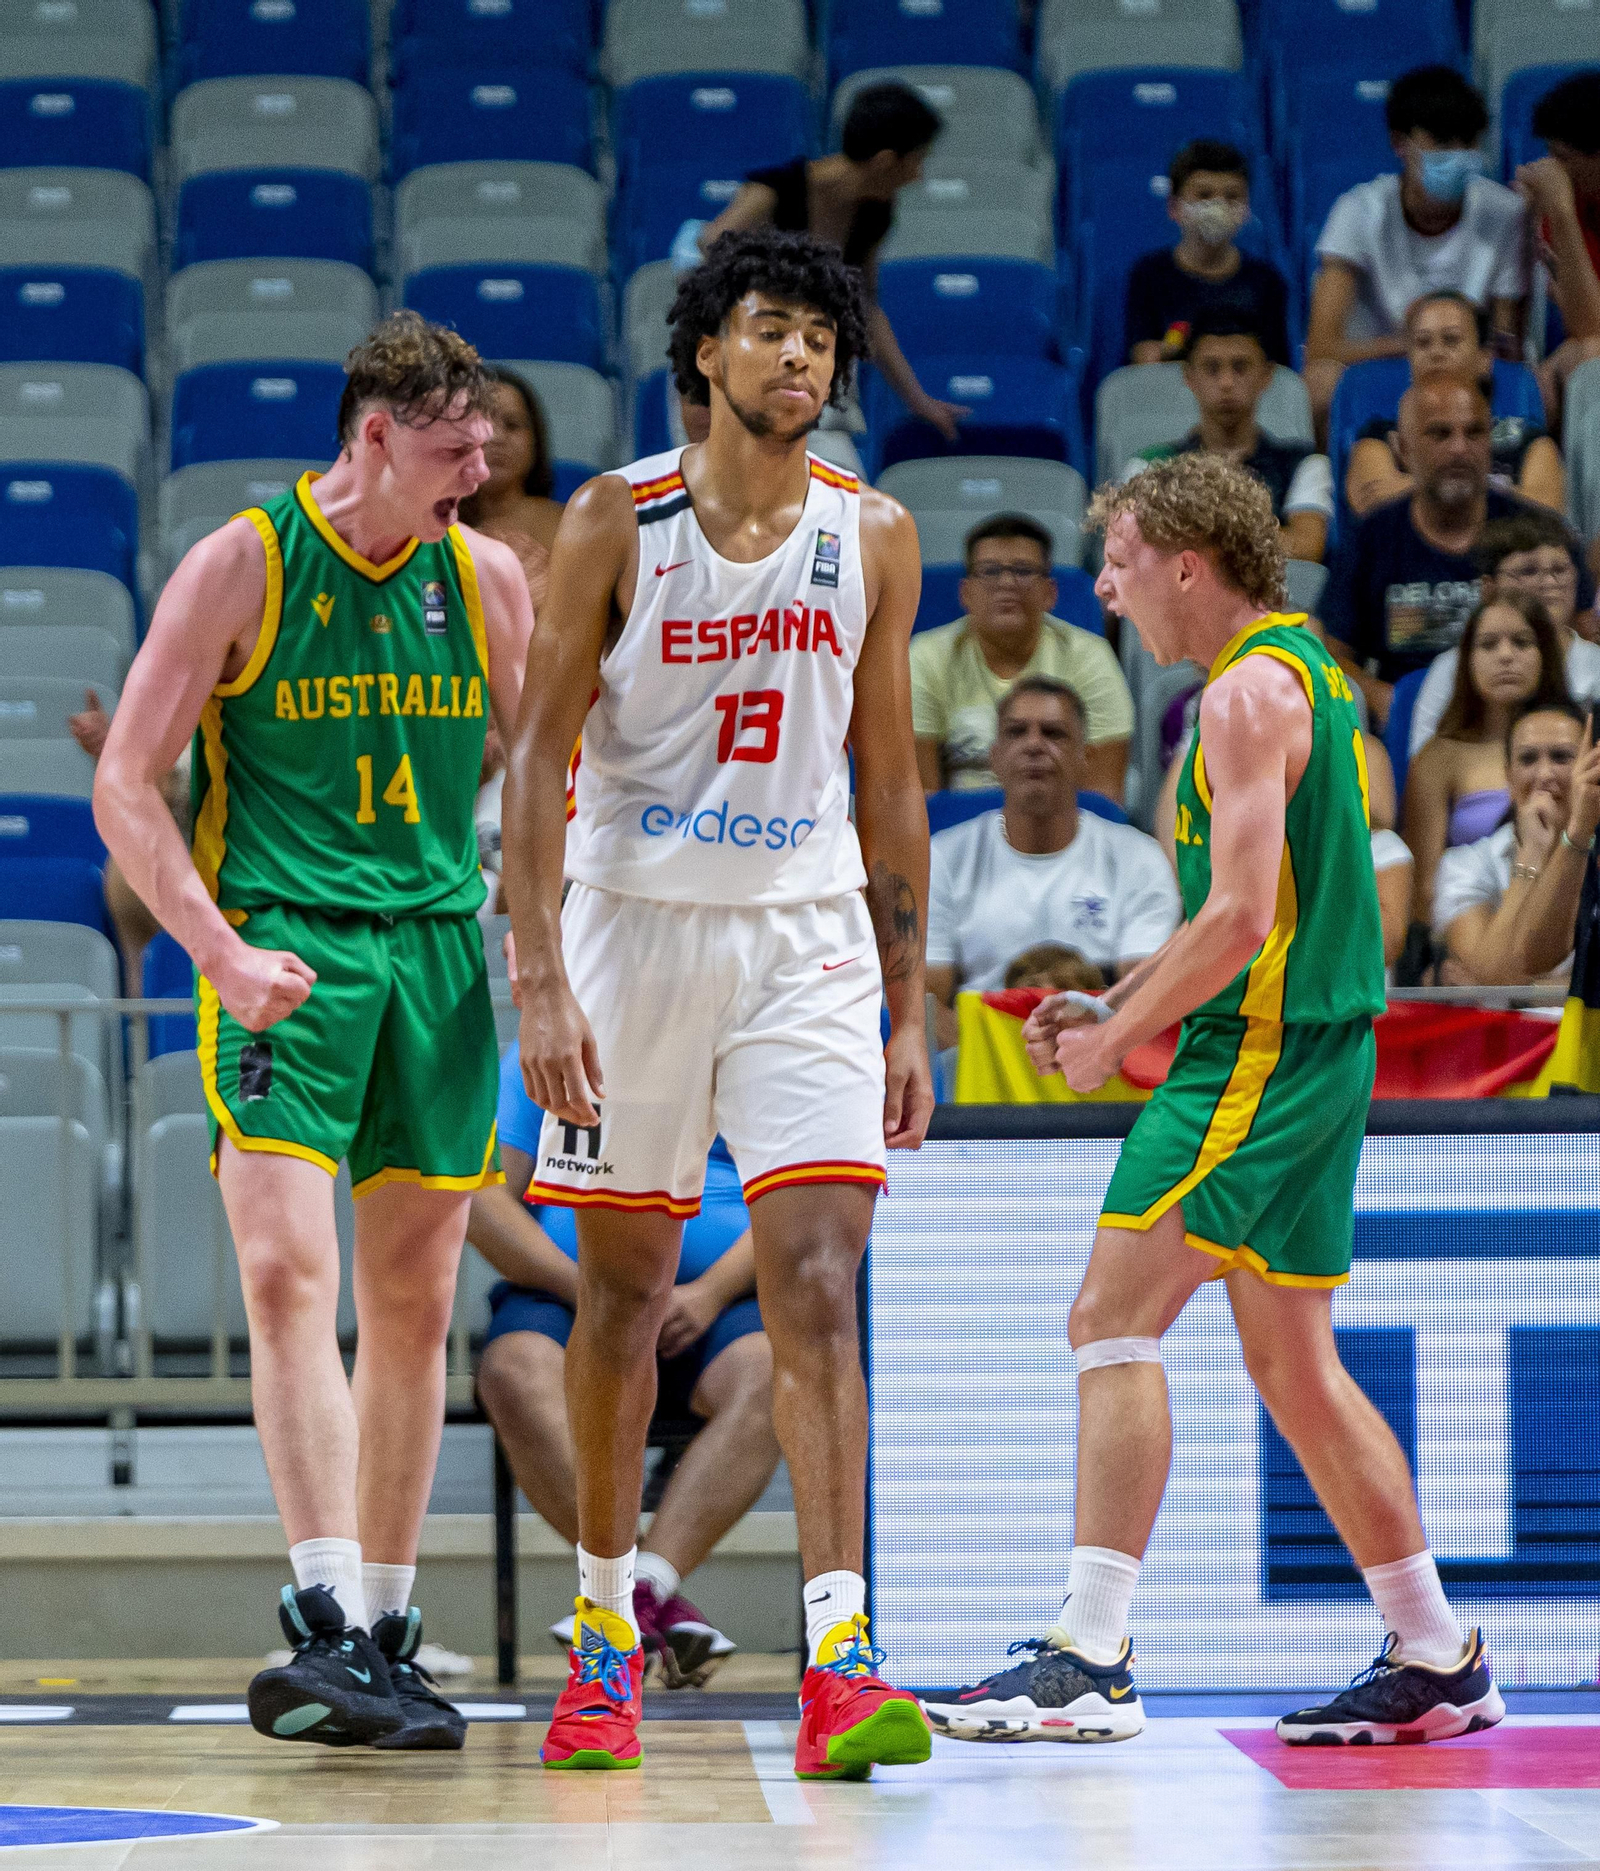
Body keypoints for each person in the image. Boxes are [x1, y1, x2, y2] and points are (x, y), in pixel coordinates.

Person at [923, 453, 1503, 1749]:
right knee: (1293, 1365)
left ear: (1188, 559)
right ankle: (1435, 1647)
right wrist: (1124, 989)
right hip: (1310, 1046)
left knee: (1109, 1314)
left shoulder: (1243, 695)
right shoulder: (1304, 667)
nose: (1111, 597)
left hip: (1260, 1052)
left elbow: (1241, 920)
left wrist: (1119, 1028)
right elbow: (1256, 905)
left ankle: (1091, 1650)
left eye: (1121, 565)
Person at [501, 228, 935, 1779]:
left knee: (816, 1276)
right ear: (706, 356)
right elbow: (540, 761)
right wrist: (539, 972)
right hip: (632, 930)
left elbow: (890, 778)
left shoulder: (875, 532)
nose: (802, 355)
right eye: (771, 328)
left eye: (821, 333)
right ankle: (607, 1636)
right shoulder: (615, 517)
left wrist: (906, 1010)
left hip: (805, 931)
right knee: (620, 1291)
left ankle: (839, 1655)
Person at [92, 313, 536, 1750]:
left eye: (487, 447)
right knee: (289, 1272)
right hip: (288, 943)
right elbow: (126, 780)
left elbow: (541, 795)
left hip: (438, 955)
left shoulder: (488, 579)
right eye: (457, 449)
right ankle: (325, 1607)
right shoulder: (245, 561)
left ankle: (391, 1630)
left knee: (414, 1299)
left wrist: (543, 966)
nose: (480, 471)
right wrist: (214, 951)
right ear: (373, 437)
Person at [470, 1043, 778, 1687]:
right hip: (572, 1290)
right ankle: (647, 1596)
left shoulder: (758, 1041)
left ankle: (631, 1598)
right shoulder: (548, 1047)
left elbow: (800, 1199)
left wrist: (711, 1291)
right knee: (512, 1370)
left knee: (773, 1374)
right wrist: (591, 1290)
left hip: (720, 1304)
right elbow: (482, 1194)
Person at [699, 82, 968, 443]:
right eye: (916, 161)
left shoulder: (874, 212)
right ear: (885, 161)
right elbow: (710, 248)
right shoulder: (775, 194)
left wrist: (918, 400)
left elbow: (865, 308)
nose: (918, 176)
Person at [1319, 377, 1591, 731]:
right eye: (1440, 434)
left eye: (1475, 433)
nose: (1460, 449)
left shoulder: (1537, 533)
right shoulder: (1373, 536)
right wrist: (1385, 700)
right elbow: (1333, 653)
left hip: (1524, 715)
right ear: (1403, 449)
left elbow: (1585, 634)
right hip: (1405, 714)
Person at [925, 676, 1180, 1051]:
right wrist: (1004, 1060)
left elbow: (1144, 996)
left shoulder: (1139, 860)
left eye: (1054, 733)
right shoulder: (944, 858)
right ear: (994, 757)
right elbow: (925, 1004)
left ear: (1085, 758)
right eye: (1016, 733)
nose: (1033, 745)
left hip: (1101, 1063)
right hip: (980, 1068)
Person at [1305, 67, 1526, 430]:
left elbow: (1504, 345)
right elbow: (1323, 348)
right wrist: (1421, 348)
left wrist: (1452, 356)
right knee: (1318, 385)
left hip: (1468, 372)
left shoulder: (1504, 212)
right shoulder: (1357, 211)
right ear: (1399, 143)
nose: (1457, 155)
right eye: (1441, 142)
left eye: (1467, 142)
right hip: (1381, 370)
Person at [911, 515, 1134, 800]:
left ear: (1050, 592)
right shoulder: (926, 657)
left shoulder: (1090, 656)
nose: (1007, 583)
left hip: (1063, 831)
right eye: (990, 571)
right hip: (957, 835)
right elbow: (923, 799)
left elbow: (1103, 798)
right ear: (965, 593)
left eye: (1024, 570)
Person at [1401, 593, 1572, 943]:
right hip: (1470, 933)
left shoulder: (1580, 740)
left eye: (1522, 642)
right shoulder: (1438, 757)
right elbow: (1423, 895)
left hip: (1571, 926)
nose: (1506, 655)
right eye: (1489, 645)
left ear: (1546, 655)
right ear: (1466, 661)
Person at [1127, 311, 1332, 563]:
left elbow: (1306, 546)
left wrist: (1195, 539)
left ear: (1266, 376)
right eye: (1212, 368)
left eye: (1240, 367)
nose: (1226, 382)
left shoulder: (1305, 464)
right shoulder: (1151, 465)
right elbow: (1135, 549)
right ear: (1189, 377)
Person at [1345, 292, 1565, 517]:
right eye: (1423, 342)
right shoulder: (1380, 437)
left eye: (1450, 340)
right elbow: (1375, 502)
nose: (1435, 353)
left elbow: (1545, 511)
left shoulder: (1528, 442)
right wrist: (1505, 491)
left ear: (1484, 358)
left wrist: (1418, 486)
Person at [1433, 699, 1599, 986]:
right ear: (1508, 778)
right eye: (1528, 759)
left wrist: (1525, 991)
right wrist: (1529, 859)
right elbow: (1489, 978)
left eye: (1561, 757)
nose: (1544, 775)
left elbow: (1493, 988)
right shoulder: (1464, 864)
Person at [1410, 511, 1600, 753]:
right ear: (1489, 588)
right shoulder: (1451, 669)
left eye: (1560, 570)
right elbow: (1425, 761)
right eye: (1529, 571)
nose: (1550, 583)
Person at [1123, 140, 1290, 367]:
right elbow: (1144, 356)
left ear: (1246, 209)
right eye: (1204, 195)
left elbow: (1276, 368)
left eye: (1232, 197)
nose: (1218, 207)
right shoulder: (1149, 274)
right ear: (1174, 207)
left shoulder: (1266, 281)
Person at [1519, 74, 1600, 428]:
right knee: (1539, 387)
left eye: (1562, 158)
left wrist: (1563, 214)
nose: (1552, 171)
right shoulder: (1565, 205)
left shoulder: (1563, 208)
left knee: (1588, 360)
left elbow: (1591, 327)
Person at [459, 366, 564, 612]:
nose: (496, 437)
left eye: (513, 425)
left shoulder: (570, 525)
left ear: (535, 440)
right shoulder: (424, 530)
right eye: (481, 423)